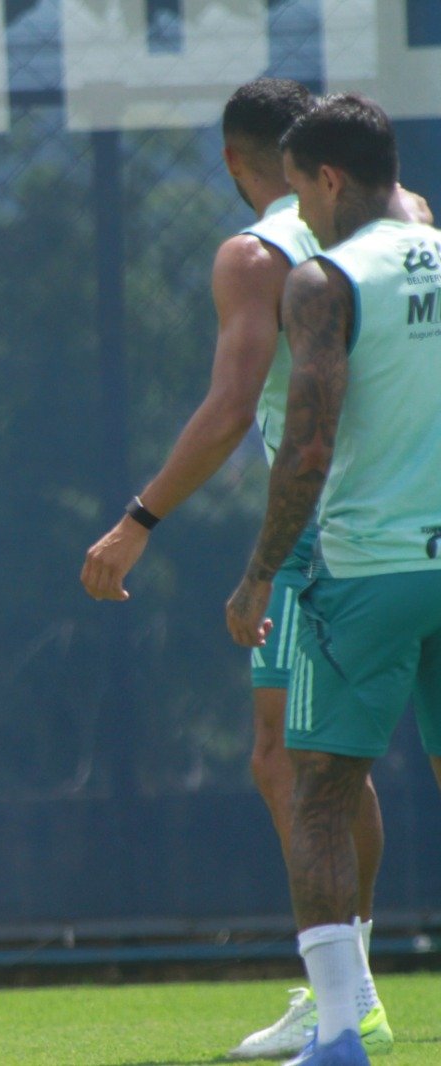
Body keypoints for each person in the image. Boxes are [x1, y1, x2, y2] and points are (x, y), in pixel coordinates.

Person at [80, 78, 394, 1060]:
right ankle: (348, 982)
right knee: (298, 754)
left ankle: (348, 995)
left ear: (234, 160)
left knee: (305, 766)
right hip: (400, 513)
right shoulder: (398, 215)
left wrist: (138, 520)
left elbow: (229, 408)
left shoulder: (256, 252)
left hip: (325, 529)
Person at [225, 93, 441, 1066]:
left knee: (316, 791)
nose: (299, 221)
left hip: (364, 570)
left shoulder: (324, 278)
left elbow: (306, 445)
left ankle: (341, 1033)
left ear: (329, 178)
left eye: (303, 196)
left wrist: (258, 573)